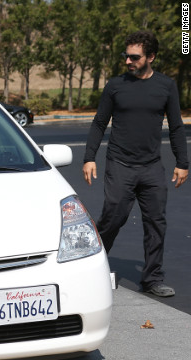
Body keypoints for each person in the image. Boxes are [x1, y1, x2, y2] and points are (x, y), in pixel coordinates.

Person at [82, 30, 188, 297]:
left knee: (156, 222)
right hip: (120, 163)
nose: (128, 61)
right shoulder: (115, 85)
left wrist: (182, 162)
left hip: (151, 166)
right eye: (126, 56)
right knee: (113, 216)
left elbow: (176, 127)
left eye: (134, 57)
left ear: (150, 56)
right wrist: (89, 157)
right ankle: (93, 269)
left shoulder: (166, 86)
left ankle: (152, 278)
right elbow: (98, 123)